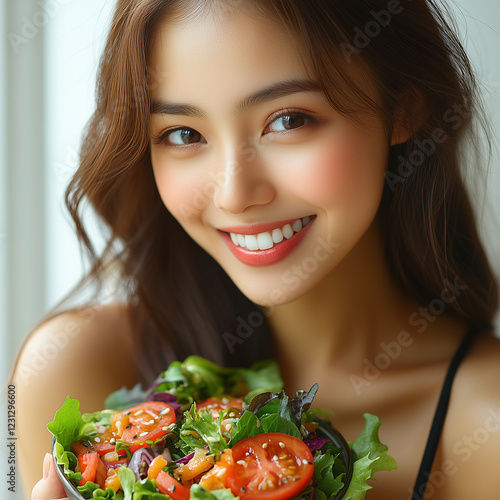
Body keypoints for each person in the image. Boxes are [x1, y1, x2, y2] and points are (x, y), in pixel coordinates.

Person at [12, 0, 500, 499]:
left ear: (404, 109)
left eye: (289, 120)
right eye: (184, 134)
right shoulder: (73, 371)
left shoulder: (486, 426)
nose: (233, 194)